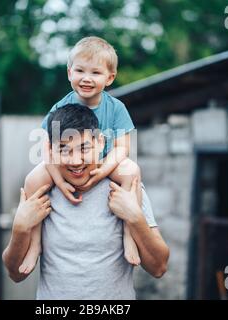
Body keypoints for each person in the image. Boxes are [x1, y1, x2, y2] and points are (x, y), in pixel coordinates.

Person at [2, 104, 169, 299]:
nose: (75, 161)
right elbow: (15, 274)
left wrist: (135, 217)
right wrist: (20, 229)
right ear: (50, 151)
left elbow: (159, 268)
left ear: (99, 142)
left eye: (84, 148)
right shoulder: (42, 190)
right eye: (64, 149)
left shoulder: (126, 187)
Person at [20, 36, 145, 274]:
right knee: (32, 181)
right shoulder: (59, 107)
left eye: (96, 73)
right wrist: (59, 181)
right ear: (69, 73)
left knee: (132, 171)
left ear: (109, 78)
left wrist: (101, 173)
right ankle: (35, 243)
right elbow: (46, 148)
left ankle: (130, 233)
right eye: (80, 70)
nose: (86, 78)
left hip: (103, 162)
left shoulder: (116, 108)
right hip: (65, 163)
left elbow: (122, 147)